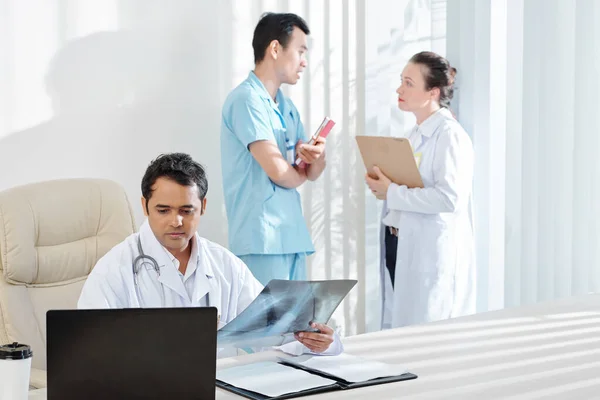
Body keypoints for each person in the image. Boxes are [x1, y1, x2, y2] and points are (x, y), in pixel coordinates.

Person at [78, 153, 340, 356]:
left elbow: (275, 330)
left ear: (202, 207)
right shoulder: (114, 270)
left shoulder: (224, 265)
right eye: (163, 210)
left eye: (186, 210)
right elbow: (90, 353)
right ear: (144, 206)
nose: (176, 221)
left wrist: (316, 341)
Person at [365, 51, 475, 329]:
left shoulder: (450, 135)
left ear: (433, 92)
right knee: (401, 330)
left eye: (409, 83)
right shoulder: (414, 135)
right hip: (400, 244)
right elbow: (408, 189)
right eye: (401, 81)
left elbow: (450, 198)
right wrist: (383, 187)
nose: (399, 89)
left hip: (428, 252)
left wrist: (392, 192)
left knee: (426, 335)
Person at [220, 13, 327, 286]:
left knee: (295, 328)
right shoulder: (246, 100)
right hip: (261, 239)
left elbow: (312, 171)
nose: (304, 61)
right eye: (300, 51)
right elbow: (279, 171)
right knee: (264, 327)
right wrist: (298, 173)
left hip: (290, 235)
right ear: (275, 49)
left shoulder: (286, 107)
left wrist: (316, 156)